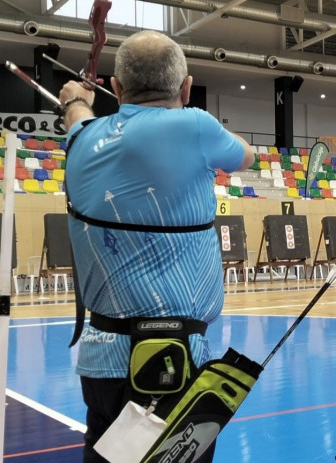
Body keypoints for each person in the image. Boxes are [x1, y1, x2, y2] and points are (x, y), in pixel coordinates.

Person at [58, 30, 255, 462]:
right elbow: (246, 157)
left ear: (116, 87)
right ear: (185, 87)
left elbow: (76, 120)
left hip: (103, 360)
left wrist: (75, 98)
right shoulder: (196, 125)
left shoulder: (83, 138)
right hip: (179, 360)